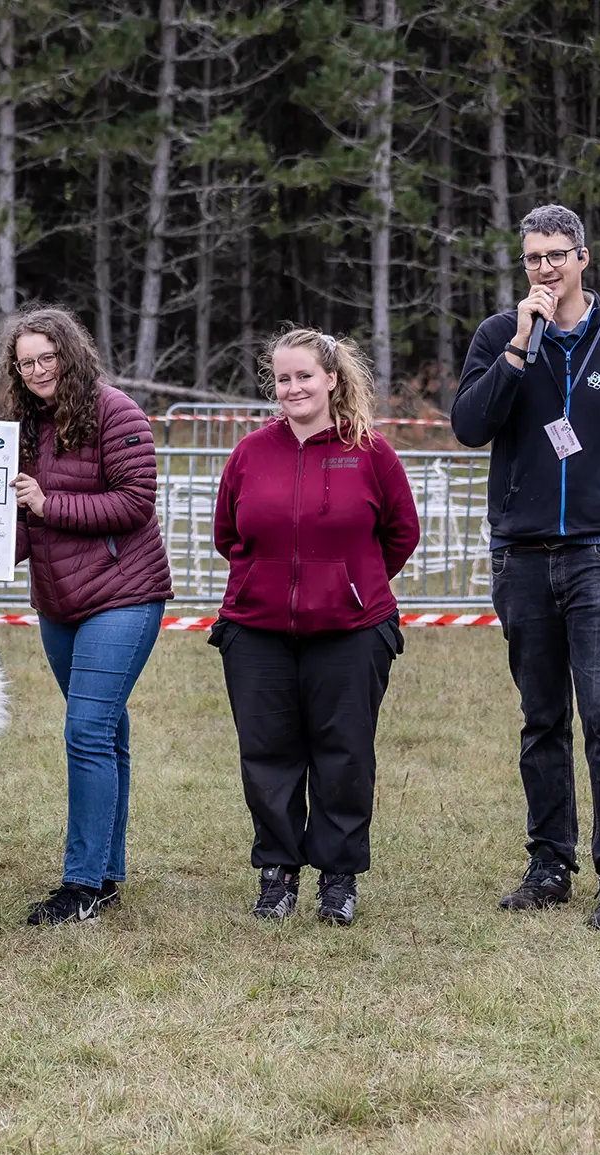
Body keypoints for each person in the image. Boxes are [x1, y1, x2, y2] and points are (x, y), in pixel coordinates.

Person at [451, 203, 600, 931]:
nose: (546, 268)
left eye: (558, 254)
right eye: (533, 258)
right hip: (521, 556)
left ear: (585, 257)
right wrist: (521, 345)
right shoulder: (499, 336)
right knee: (541, 718)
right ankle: (550, 863)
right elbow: (468, 426)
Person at [210, 329, 420, 925]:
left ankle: (338, 878)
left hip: (352, 630)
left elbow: (401, 532)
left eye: (304, 376)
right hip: (257, 630)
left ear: (331, 379)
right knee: (268, 754)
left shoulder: (370, 451)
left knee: (343, 755)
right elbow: (228, 534)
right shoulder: (250, 452)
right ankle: (277, 873)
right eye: (282, 378)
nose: (293, 388)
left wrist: (353, 582)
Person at [0, 305, 172, 926]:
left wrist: (48, 503)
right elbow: (20, 522)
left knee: (86, 731)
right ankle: (107, 872)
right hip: (59, 602)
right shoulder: (24, 427)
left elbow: (134, 503)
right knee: (107, 734)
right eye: (27, 363)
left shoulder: (115, 411)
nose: (39, 370)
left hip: (123, 595)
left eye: (48, 357)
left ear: (71, 355)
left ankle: (80, 885)